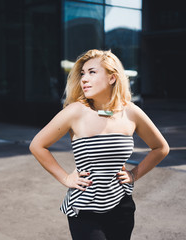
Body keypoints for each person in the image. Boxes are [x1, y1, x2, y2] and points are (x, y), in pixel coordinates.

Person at [29, 49, 169, 240]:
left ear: (112, 78)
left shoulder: (130, 111)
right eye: (82, 74)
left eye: (92, 72)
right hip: (85, 210)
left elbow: (161, 148)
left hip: (122, 207)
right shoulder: (75, 111)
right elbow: (37, 145)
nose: (84, 79)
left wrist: (134, 174)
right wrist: (65, 178)